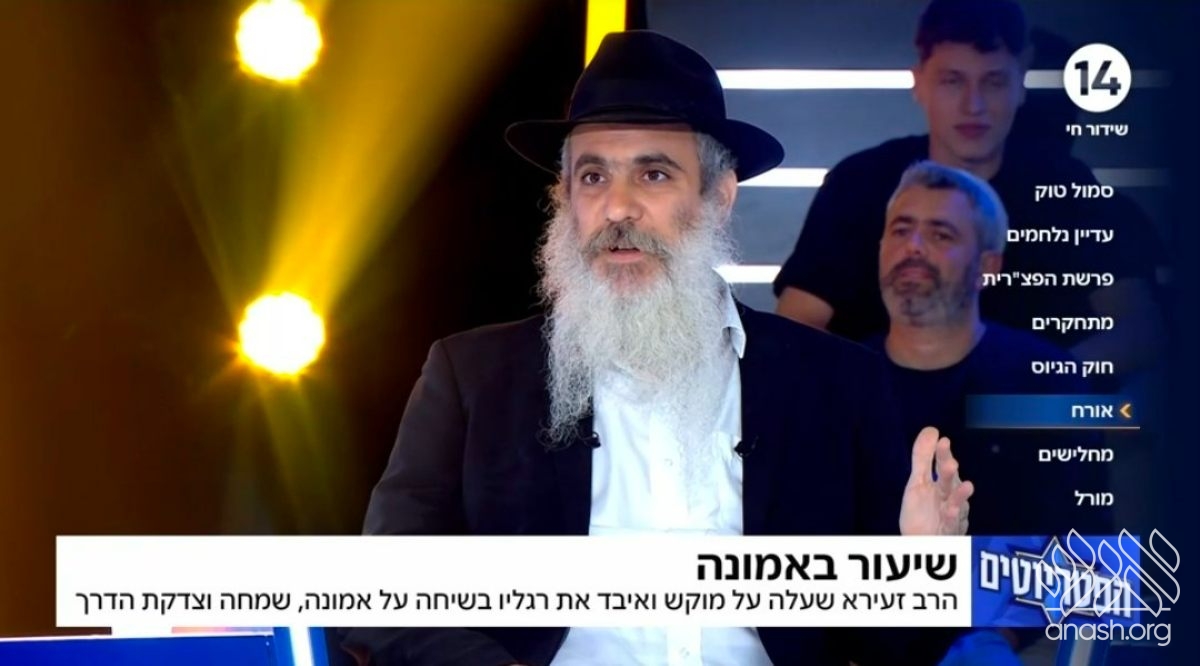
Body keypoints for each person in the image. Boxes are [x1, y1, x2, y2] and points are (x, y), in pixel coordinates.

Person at [342, 31, 973, 666]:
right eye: (593, 176)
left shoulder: (837, 383)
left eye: (653, 174)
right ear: (564, 199)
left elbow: (893, 648)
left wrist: (924, 570)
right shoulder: (472, 377)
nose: (618, 207)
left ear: (718, 197)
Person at [773, 0, 1164, 383]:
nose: (973, 105)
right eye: (952, 80)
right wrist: (875, 395)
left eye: (993, 82)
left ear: (1020, 83)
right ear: (919, 82)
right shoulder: (859, 182)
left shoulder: (1066, 188)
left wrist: (1036, 383)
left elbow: (1140, 329)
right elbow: (796, 325)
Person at [866, 160, 1113, 665]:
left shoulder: (1046, 380)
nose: (914, 247)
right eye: (901, 230)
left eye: (941, 234)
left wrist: (999, 639)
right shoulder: (833, 380)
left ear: (988, 266)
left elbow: (1091, 556)